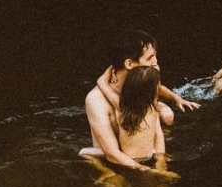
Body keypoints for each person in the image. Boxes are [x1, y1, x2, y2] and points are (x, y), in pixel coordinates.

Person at [79, 30, 189, 177]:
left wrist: (161, 163)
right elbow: (111, 153)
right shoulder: (96, 99)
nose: (155, 62)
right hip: (113, 159)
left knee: (167, 114)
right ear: (129, 63)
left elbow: (158, 132)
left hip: (142, 154)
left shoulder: (145, 85)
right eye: (150, 57)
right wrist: (147, 170)